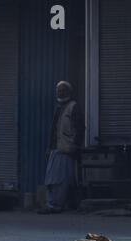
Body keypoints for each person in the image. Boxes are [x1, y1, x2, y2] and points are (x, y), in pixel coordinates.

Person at [38, 81, 84, 215]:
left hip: (67, 149)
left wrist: (75, 145)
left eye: (63, 90)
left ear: (69, 92)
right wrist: (49, 148)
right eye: (58, 91)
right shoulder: (59, 108)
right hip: (57, 149)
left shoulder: (73, 107)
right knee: (52, 179)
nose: (60, 93)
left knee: (60, 180)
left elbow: (79, 128)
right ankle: (53, 204)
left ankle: (55, 205)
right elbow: (54, 131)